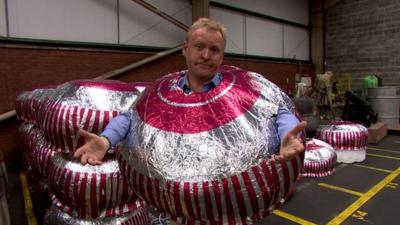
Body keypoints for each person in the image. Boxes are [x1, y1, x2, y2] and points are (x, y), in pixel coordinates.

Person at [74, 18, 307, 166]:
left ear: (222, 56)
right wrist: (105, 141)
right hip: (179, 205)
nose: (206, 55)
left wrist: (288, 136)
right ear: (185, 50)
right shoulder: (162, 92)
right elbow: (131, 117)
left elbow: (277, 110)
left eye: (214, 50)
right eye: (199, 47)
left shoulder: (242, 90)